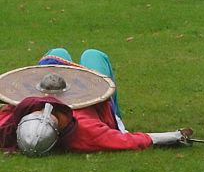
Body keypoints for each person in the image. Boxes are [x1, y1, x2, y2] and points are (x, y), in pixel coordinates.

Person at [0, 48, 191, 155]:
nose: (42, 110)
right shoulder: (86, 132)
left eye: (35, 113)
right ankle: (117, 115)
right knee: (92, 55)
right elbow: (129, 141)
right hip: (97, 105)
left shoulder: (9, 122)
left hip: (46, 87)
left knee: (57, 53)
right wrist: (174, 136)